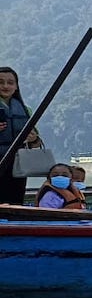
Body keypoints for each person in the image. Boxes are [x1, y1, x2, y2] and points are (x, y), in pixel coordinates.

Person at [0, 66, 41, 206]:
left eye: (10, 82)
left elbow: (36, 142)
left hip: (18, 166)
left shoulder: (25, 109)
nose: (5, 86)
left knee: (15, 201)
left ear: (16, 86)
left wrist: (33, 138)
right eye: (1, 82)